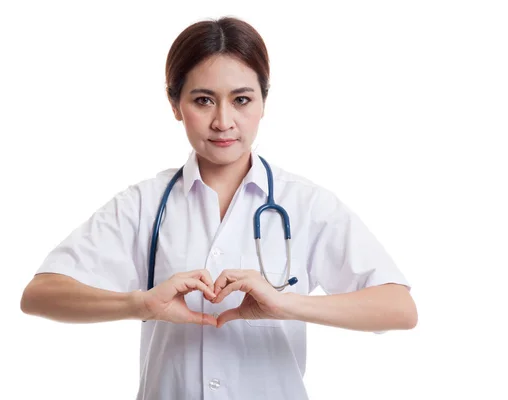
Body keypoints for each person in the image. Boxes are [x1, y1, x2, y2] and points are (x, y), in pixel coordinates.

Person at [20, 16, 417, 400]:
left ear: (263, 102)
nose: (223, 121)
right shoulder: (144, 204)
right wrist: (139, 304)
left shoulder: (306, 205)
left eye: (242, 99)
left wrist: (284, 304)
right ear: (175, 105)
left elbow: (399, 308)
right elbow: (40, 294)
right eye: (203, 100)